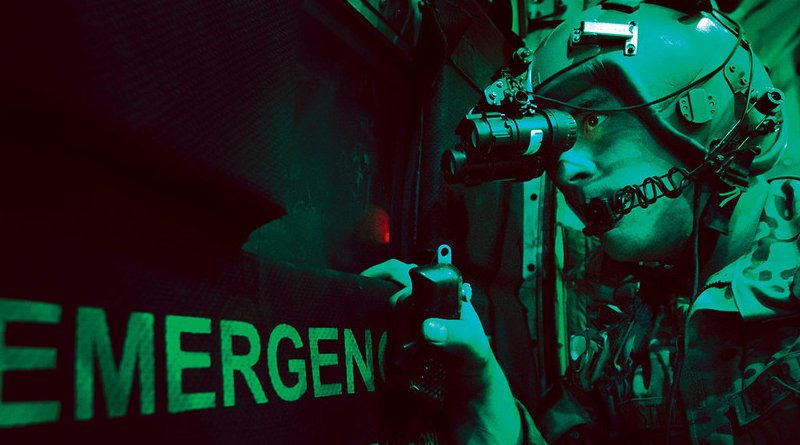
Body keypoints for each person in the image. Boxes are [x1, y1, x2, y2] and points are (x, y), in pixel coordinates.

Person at [363, 1, 799, 444]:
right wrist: (482, 395)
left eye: (592, 122)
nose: (567, 171)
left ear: (706, 113)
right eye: (557, 145)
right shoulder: (616, 354)